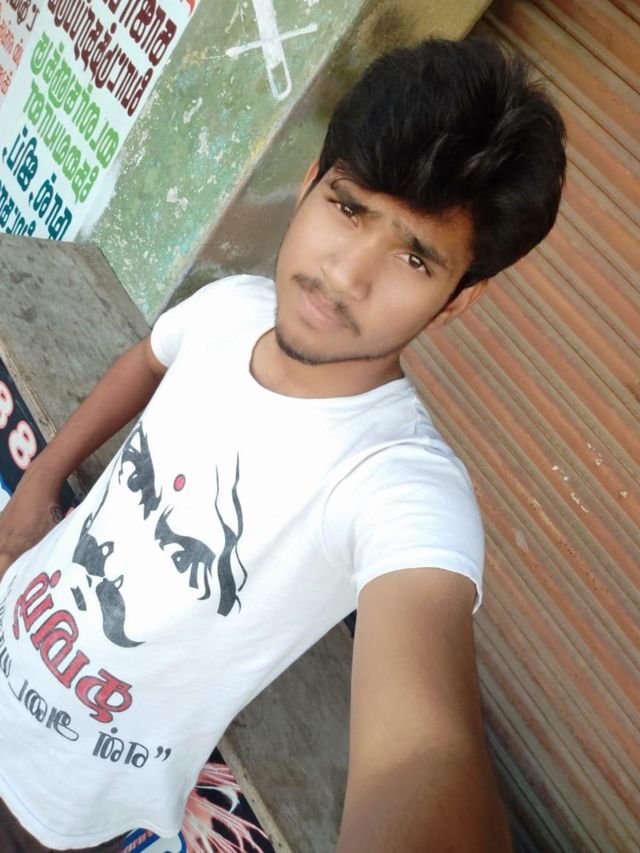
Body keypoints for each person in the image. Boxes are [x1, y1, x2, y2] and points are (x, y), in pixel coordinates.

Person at [0, 36, 565, 852]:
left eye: (414, 256)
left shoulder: (397, 482)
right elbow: (147, 360)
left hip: (61, 806)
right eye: (349, 207)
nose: (346, 275)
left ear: (456, 301)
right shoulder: (230, 307)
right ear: (308, 183)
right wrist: (40, 480)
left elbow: (425, 751)